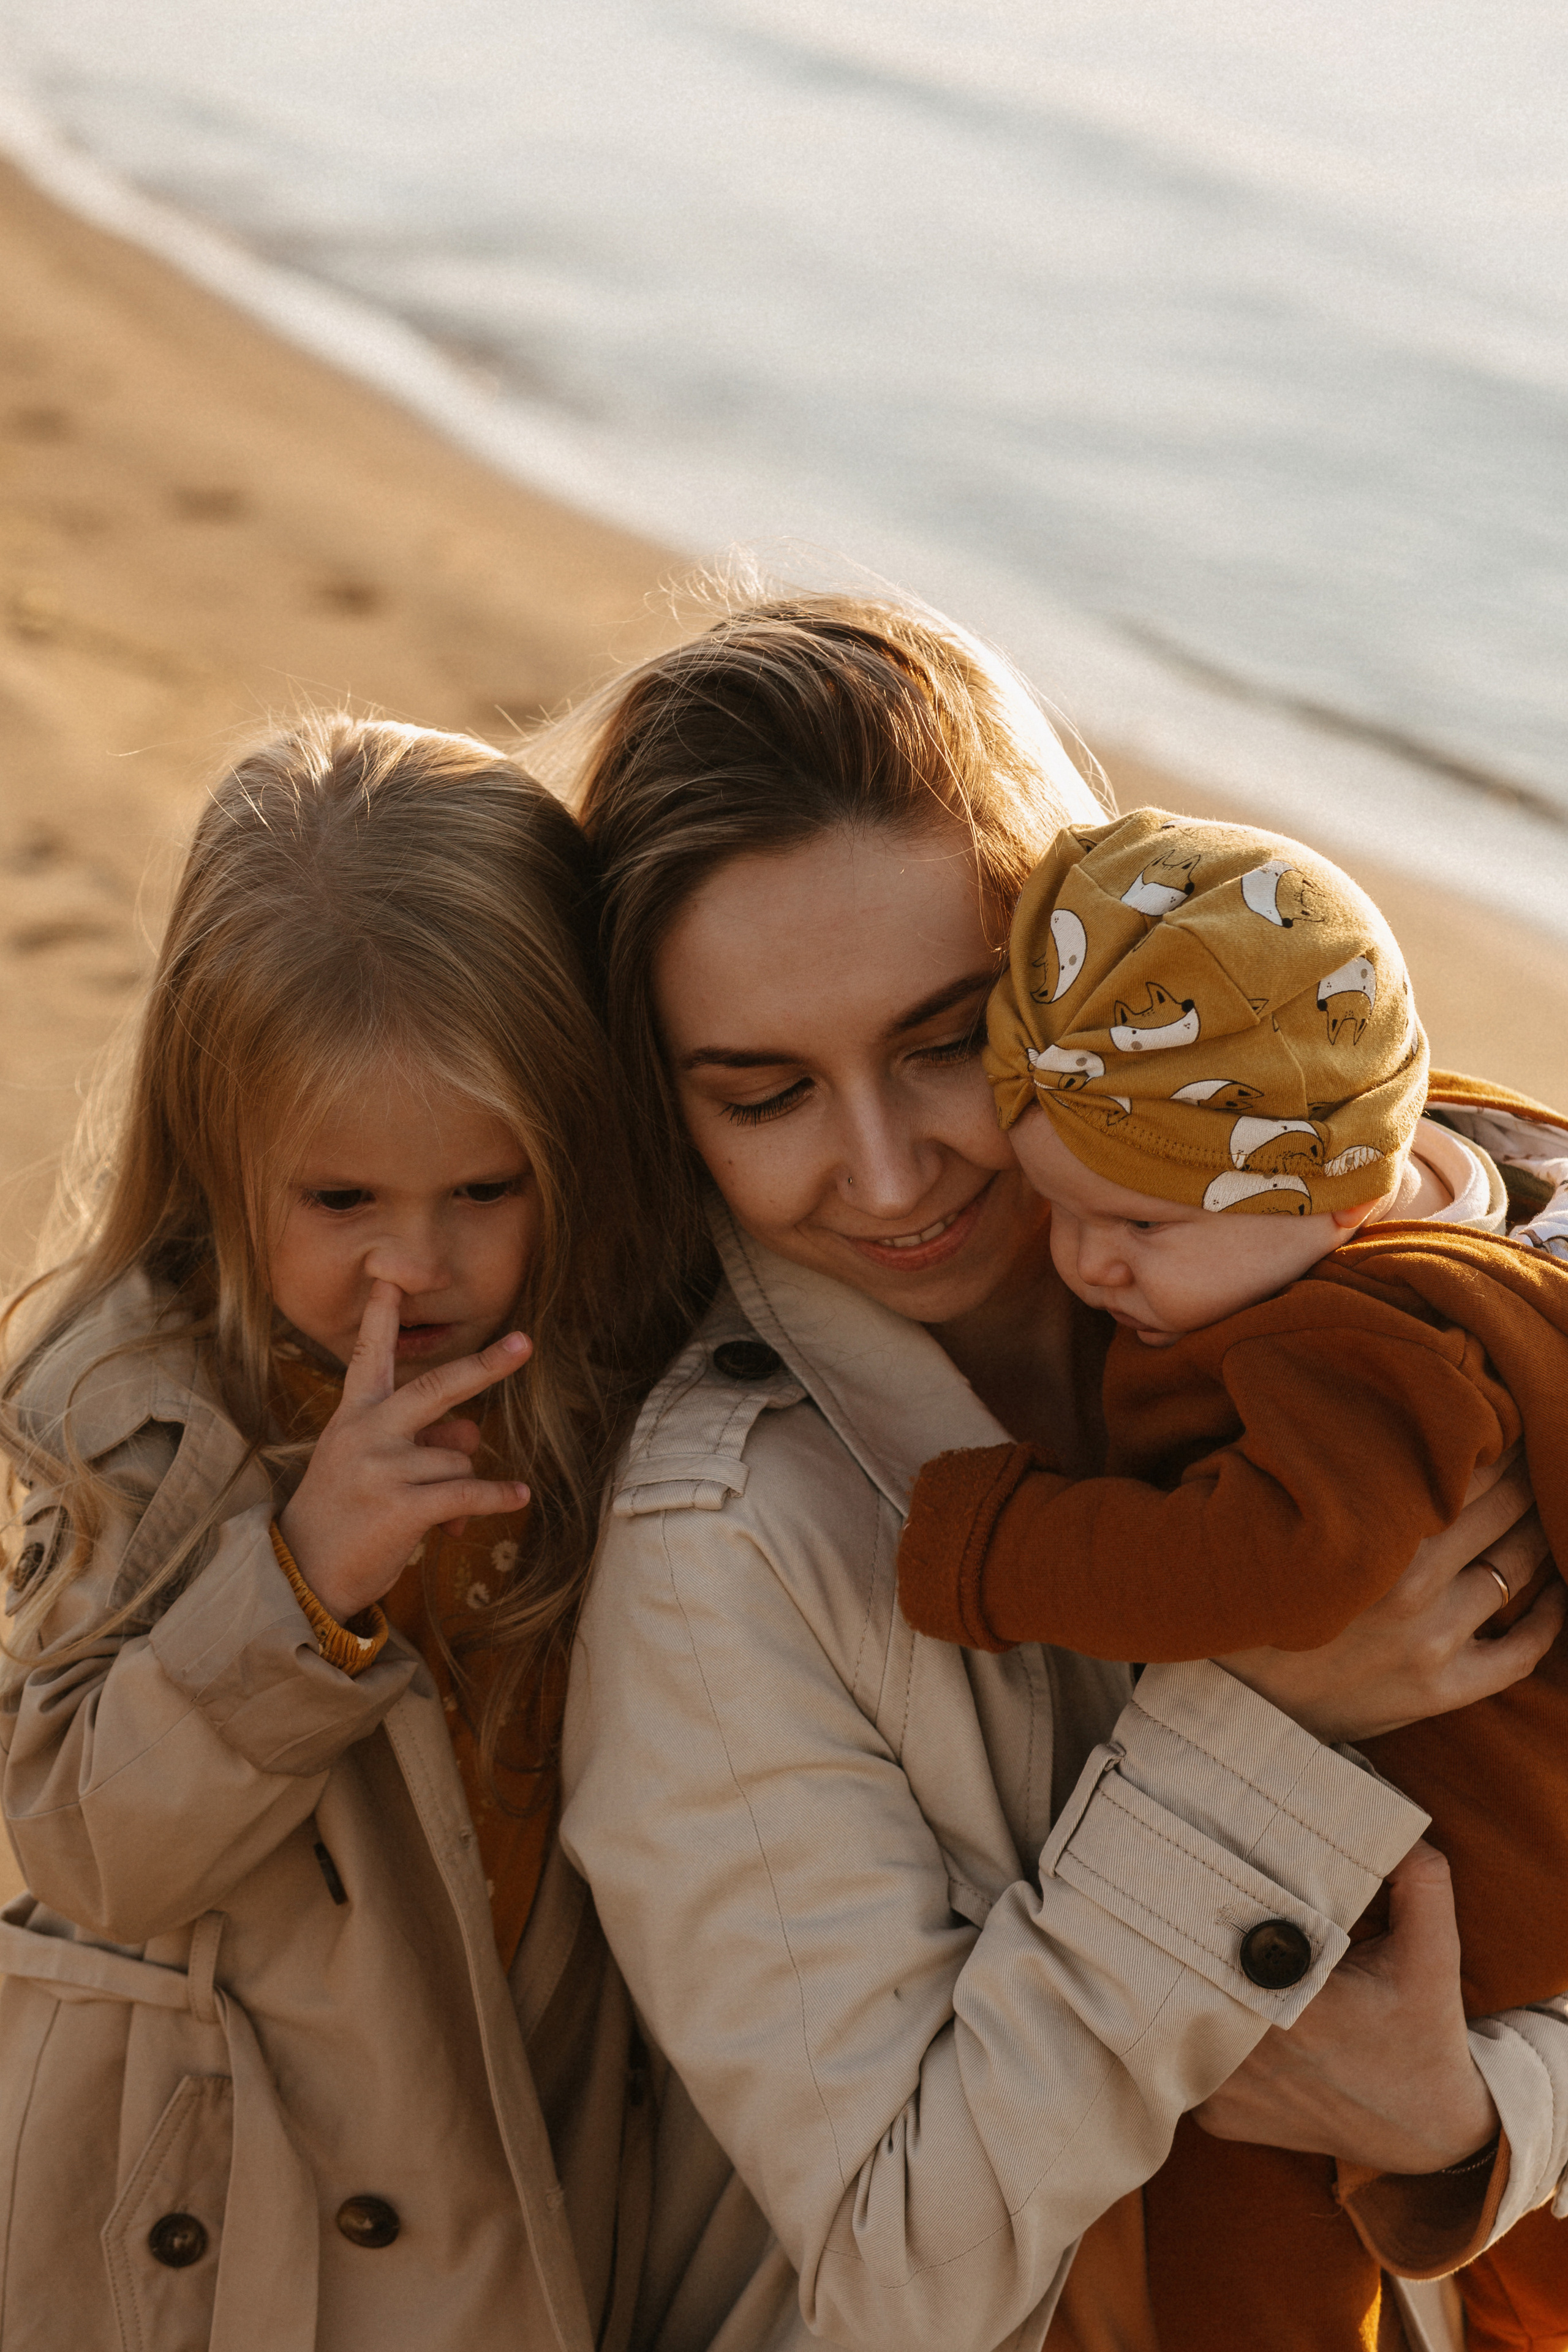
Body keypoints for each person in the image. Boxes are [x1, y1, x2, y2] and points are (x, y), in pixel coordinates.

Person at [551, 590, 1568, 2352]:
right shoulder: (725, 1544)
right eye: (764, 1092)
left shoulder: (1454, 1276)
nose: (883, 1175)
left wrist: (1471, 2130)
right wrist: (1255, 1733)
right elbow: (899, 2265)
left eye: (947, 1040)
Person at [0, 718, 676, 2351]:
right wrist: (295, 1590)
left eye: (485, 1191)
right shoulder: (149, 1422)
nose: (415, 1272)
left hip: (527, 2146)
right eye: (341, 1202)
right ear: (220, 1159)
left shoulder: (611, 1385)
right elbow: (87, 1846)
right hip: (233, 2223)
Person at [894, 805, 1568, 2351]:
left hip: (1459, 1881)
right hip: (1461, 1854)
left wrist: (986, 1547)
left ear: (1337, 1194)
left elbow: (1273, 1557)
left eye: (1129, 1222)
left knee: (1232, 2216)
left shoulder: (1356, 1343)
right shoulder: (1451, 1155)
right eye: (1050, 1202)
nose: (1081, 1264)